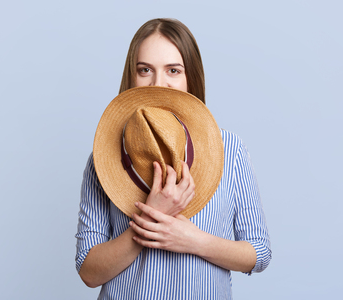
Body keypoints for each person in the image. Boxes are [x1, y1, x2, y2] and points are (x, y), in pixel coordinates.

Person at [75, 18, 271, 299]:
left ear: (190, 76)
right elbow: (89, 271)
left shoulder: (229, 150)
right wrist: (151, 220)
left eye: (173, 70)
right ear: (131, 76)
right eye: (145, 70)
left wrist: (192, 240)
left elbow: (259, 252)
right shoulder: (105, 158)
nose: (158, 83)